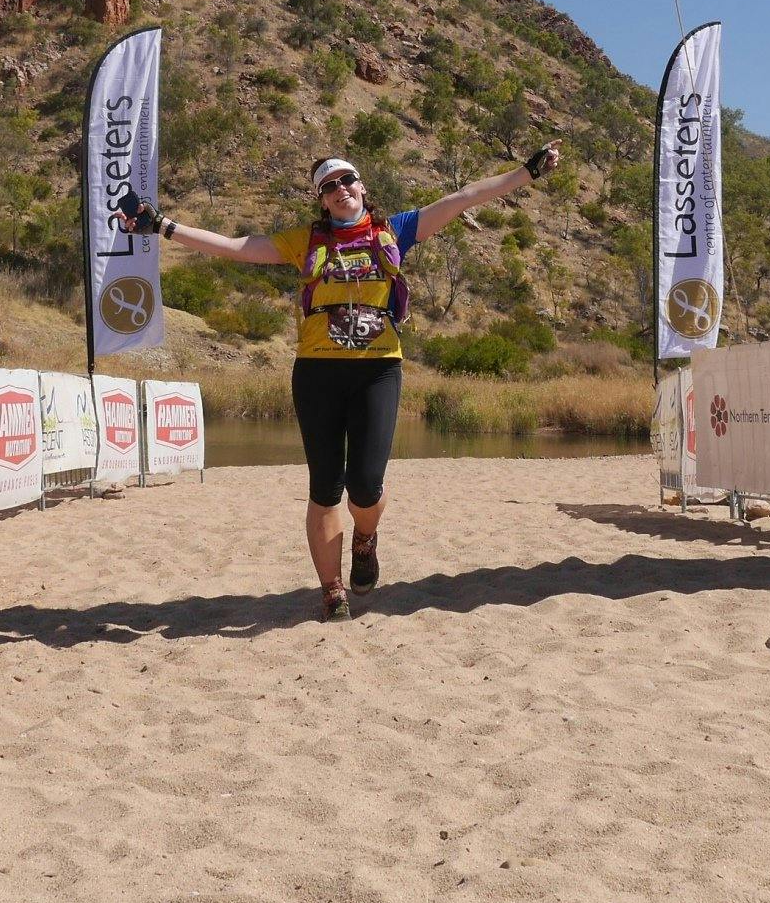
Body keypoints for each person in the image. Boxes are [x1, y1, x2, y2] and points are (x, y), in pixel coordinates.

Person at [118, 143, 561, 620]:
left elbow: (463, 198)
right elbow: (234, 246)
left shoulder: (397, 230)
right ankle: (332, 591)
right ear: (322, 200)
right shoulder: (303, 241)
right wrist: (162, 225)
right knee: (325, 487)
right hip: (317, 372)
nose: (340, 189)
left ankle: (365, 539)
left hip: (377, 369)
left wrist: (526, 173)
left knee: (366, 486)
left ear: (362, 187)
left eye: (346, 179)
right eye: (328, 186)